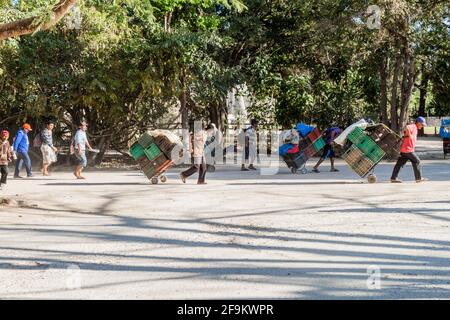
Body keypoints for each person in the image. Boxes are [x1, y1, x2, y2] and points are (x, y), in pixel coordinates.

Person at [391, 117, 427, 183]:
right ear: (418, 123)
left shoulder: (415, 128)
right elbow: (407, 127)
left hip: (405, 149)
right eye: (422, 124)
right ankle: (418, 178)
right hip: (408, 149)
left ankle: (393, 178)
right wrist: (409, 135)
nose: (422, 126)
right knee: (417, 161)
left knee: (399, 164)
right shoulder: (413, 126)